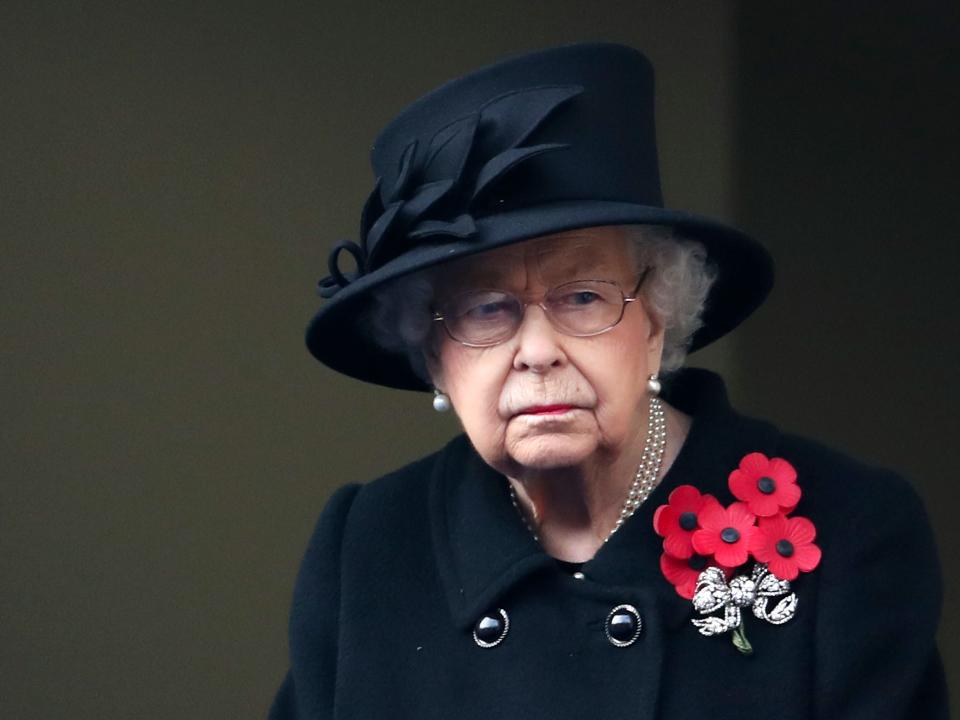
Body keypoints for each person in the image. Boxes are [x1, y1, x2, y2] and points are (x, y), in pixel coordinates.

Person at [269, 43, 946, 719]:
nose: (537, 351)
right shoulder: (368, 549)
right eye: (484, 308)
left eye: (583, 296)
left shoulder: (851, 529)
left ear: (658, 322)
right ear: (435, 355)